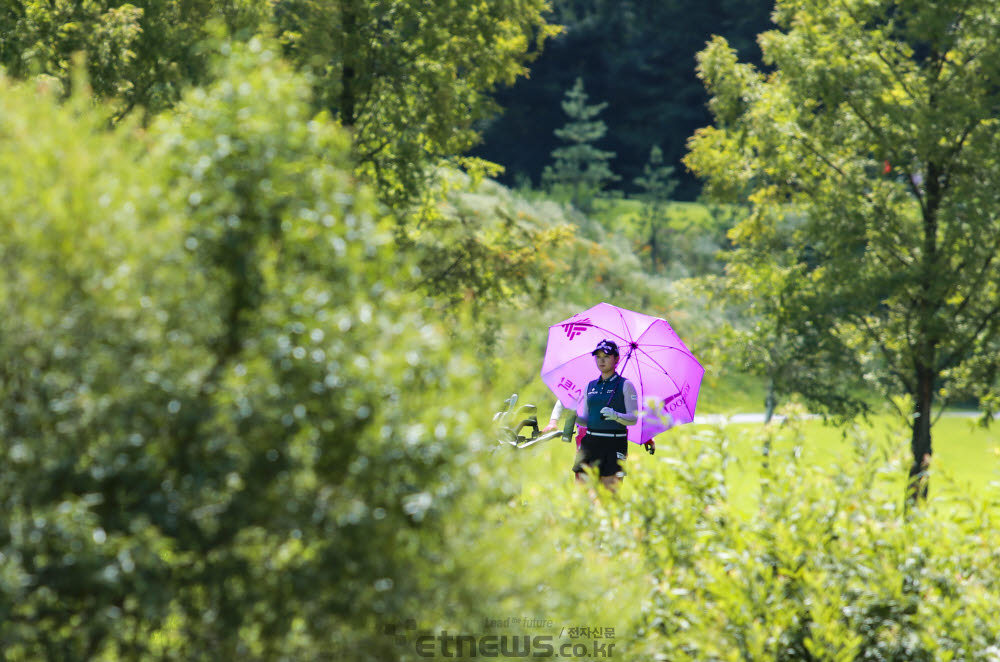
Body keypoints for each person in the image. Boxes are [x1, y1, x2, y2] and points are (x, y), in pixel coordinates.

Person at [571, 339, 639, 490]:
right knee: (582, 494)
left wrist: (615, 415)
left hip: (613, 445)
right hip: (590, 443)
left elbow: (633, 419)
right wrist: (573, 417)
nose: (601, 360)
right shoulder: (590, 386)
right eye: (598, 356)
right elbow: (587, 420)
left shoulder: (625, 385)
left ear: (617, 359)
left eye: (607, 356)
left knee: (610, 497)